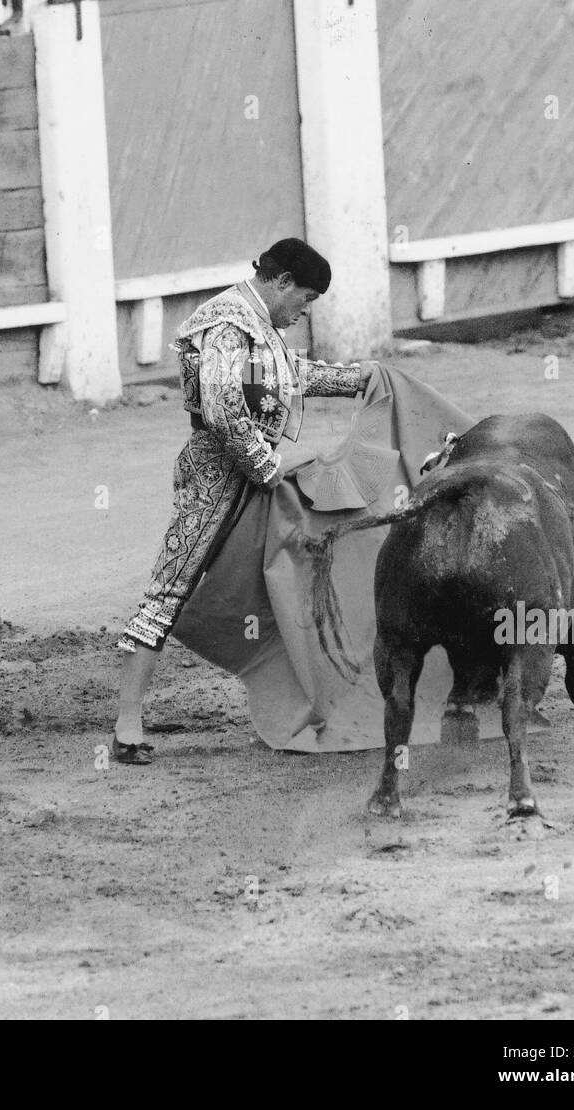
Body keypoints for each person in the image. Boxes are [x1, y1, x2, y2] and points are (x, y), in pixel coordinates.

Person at [112, 237, 376, 762]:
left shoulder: (259, 326)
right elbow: (223, 407)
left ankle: (296, 705)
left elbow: (287, 377)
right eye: (304, 297)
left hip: (251, 477)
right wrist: (267, 467)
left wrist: (357, 379)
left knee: (283, 584)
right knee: (172, 586)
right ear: (280, 281)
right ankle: (126, 725)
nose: (304, 311)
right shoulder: (229, 321)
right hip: (216, 476)